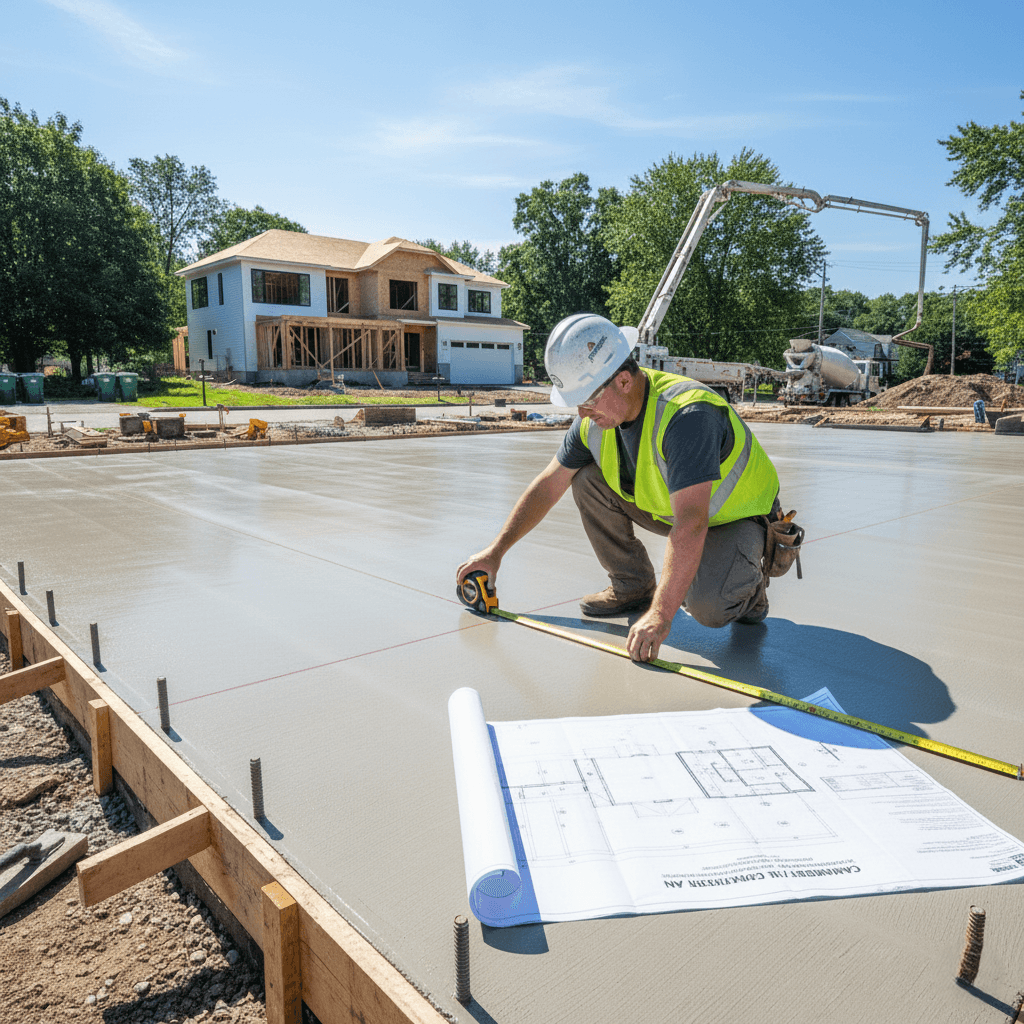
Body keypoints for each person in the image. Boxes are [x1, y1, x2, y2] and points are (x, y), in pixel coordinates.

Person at [456, 313, 784, 664]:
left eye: (587, 401)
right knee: (585, 479)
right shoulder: (595, 421)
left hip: (736, 516)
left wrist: (660, 615)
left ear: (624, 380)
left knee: (708, 606)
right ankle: (633, 586)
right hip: (675, 510)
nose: (582, 414)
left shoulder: (686, 416)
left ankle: (751, 592)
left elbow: (692, 523)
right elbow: (549, 485)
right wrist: (495, 551)